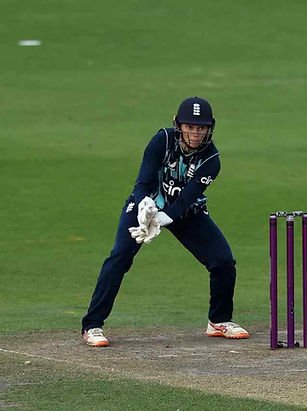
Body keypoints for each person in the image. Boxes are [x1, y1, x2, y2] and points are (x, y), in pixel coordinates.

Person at [81, 96, 249, 347]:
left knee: (223, 261)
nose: (195, 133)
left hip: (185, 212)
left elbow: (187, 200)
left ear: (209, 129)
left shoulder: (211, 160)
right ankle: (92, 325)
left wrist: (161, 218)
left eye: (201, 128)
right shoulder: (162, 140)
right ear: (178, 125)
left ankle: (219, 320)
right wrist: (144, 208)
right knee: (120, 256)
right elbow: (143, 183)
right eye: (190, 127)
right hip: (145, 207)